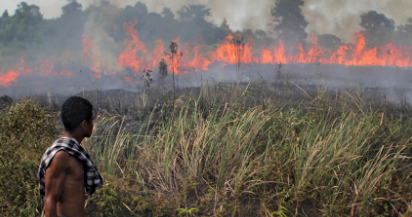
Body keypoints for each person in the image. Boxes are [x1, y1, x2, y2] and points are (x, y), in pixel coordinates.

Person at [37, 96, 103, 217]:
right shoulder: (61, 156)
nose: (93, 125)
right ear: (84, 124)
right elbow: (50, 200)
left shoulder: (74, 152)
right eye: (92, 120)